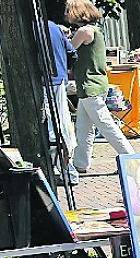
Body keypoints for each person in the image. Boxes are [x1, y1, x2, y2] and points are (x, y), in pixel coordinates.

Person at [66, 0, 135, 176]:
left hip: (90, 86)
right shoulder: (95, 30)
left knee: (105, 125)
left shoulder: (83, 31)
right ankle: (80, 163)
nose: (66, 14)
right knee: (84, 127)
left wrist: (64, 36)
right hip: (94, 84)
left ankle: (130, 157)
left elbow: (69, 50)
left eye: (68, 10)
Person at [46, 19, 79, 184]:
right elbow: (72, 53)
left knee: (51, 127)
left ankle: (58, 170)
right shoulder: (53, 27)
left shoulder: (28, 30)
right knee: (63, 124)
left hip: (45, 82)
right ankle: (68, 170)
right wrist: (63, 69)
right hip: (58, 79)